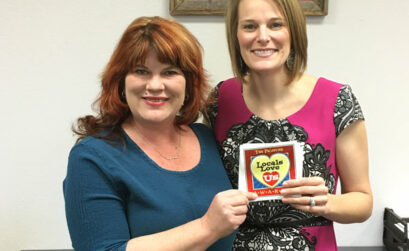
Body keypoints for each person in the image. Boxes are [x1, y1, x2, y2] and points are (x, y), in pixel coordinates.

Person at [63, 16, 257, 251]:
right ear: (120, 81)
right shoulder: (92, 158)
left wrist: (313, 201)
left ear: (188, 83)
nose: (155, 85)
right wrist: (207, 227)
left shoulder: (208, 138)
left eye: (169, 72)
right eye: (141, 71)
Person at [204, 0, 373, 250]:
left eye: (276, 25)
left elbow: (363, 201)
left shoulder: (337, 100)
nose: (263, 37)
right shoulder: (219, 100)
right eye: (250, 26)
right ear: (235, 35)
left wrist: (325, 202)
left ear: (293, 31)